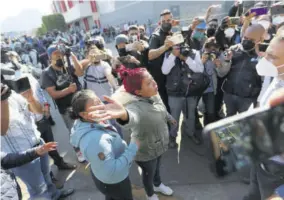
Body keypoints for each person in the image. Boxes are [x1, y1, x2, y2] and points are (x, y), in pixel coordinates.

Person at [91, 67, 174, 200]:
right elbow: (132, 117)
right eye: (149, 83)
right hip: (146, 150)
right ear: (138, 92)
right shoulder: (134, 106)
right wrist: (124, 115)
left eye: (152, 79)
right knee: (148, 173)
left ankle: (157, 184)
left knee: (157, 168)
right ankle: (150, 193)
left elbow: (161, 107)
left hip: (160, 143)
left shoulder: (154, 93)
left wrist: (169, 117)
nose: (154, 83)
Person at [0, 83, 74, 199]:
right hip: (22, 156)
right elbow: (1, 130)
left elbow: (38, 111)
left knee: (47, 178)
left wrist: (31, 99)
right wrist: (3, 101)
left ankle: (55, 195)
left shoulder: (13, 94)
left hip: (39, 144)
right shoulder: (3, 99)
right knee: (38, 190)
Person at [69, 90, 138, 200]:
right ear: (83, 114)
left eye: (99, 101)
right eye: (96, 104)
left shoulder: (91, 120)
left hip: (104, 177)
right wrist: (133, 147)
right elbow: (113, 170)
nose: (101, 106)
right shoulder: (95, 141)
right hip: (115, 181)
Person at [243, 32, 284, 200]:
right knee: (253, 194)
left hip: (275, 167)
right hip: (260, 155)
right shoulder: (276, 76)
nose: (265, 59)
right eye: (266, 53)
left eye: (272, 57)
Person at [40, 44, 85, 162]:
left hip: (80, 102)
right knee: (73, 130)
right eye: (56, 55)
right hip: (66, 108)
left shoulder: (68, 65)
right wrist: (68, 90)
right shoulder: (47, 73)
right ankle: (78, 151)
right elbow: (53, 94)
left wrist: (72, 56)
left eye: (61, 54)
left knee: (86, 125)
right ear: (50, 58)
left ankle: (88, 146)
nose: (60, 57)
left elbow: (80, 73)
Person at [161, 43, 204, 147]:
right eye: (177, 46)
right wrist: (173, 55)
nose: (180, 49)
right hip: (175, 92)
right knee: (174, 116)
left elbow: (199, 69)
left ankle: (190, 133)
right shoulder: (168, 54)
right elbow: (165, 71)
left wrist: (186, 58)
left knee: (191, 115)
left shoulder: (194, 53)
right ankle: (172, 136)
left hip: (191, 91)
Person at [217, 24, 265, 116]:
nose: (247, 41)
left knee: (246, 124)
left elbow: (264, 81)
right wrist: (227, 61)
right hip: (229, 94)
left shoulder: (262, 56)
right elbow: (221, 73)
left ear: (260, 40)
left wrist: (259, 101)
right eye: (245, 38)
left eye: (251, 40)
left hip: (248, 98)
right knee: (229, 122)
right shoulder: (233, 50)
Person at [148, 9, 175, 111]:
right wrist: (165, 47)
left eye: (168, 20)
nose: (166, 23)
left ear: (172, 21)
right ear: (160, 23)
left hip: (172, 77)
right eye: (163, 21)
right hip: (160, 79)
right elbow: (150, 55)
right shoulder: (156, 36)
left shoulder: (172, 34)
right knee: (165, 107)